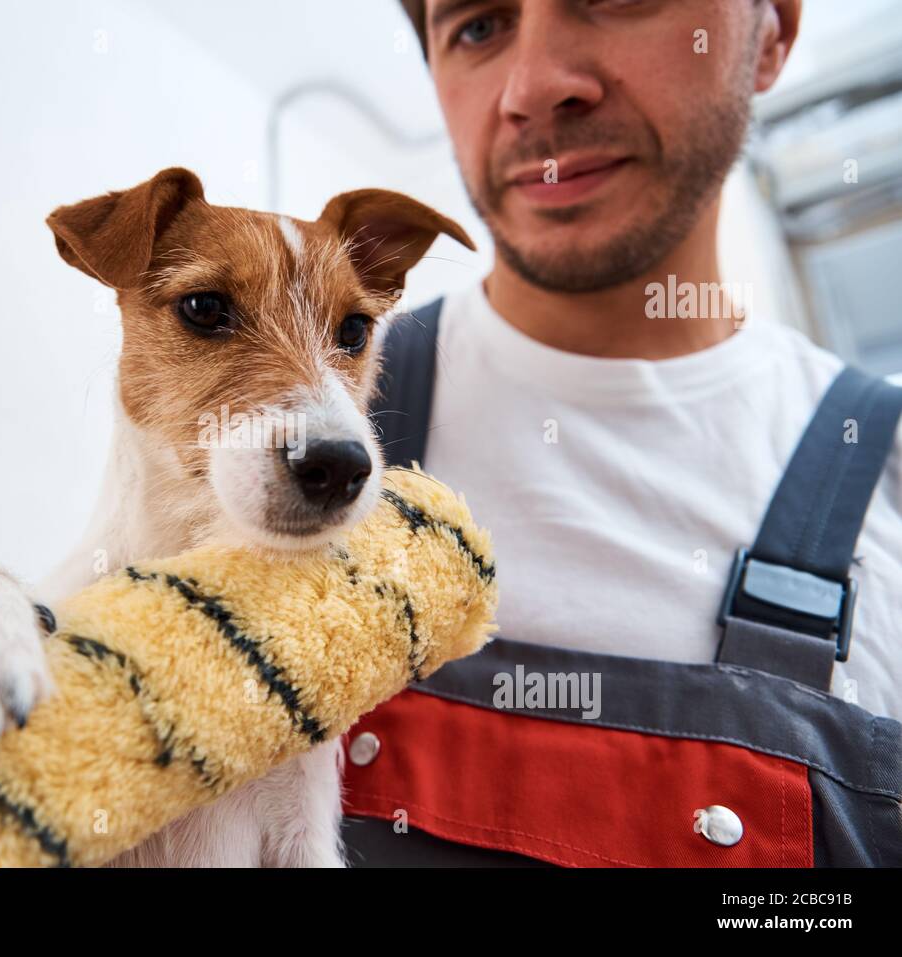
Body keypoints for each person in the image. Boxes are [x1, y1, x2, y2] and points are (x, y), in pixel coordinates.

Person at [341, 0, 902, 867]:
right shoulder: (320, 433)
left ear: (771, 35)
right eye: (480, 26)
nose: (533, 89)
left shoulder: (884, 471)